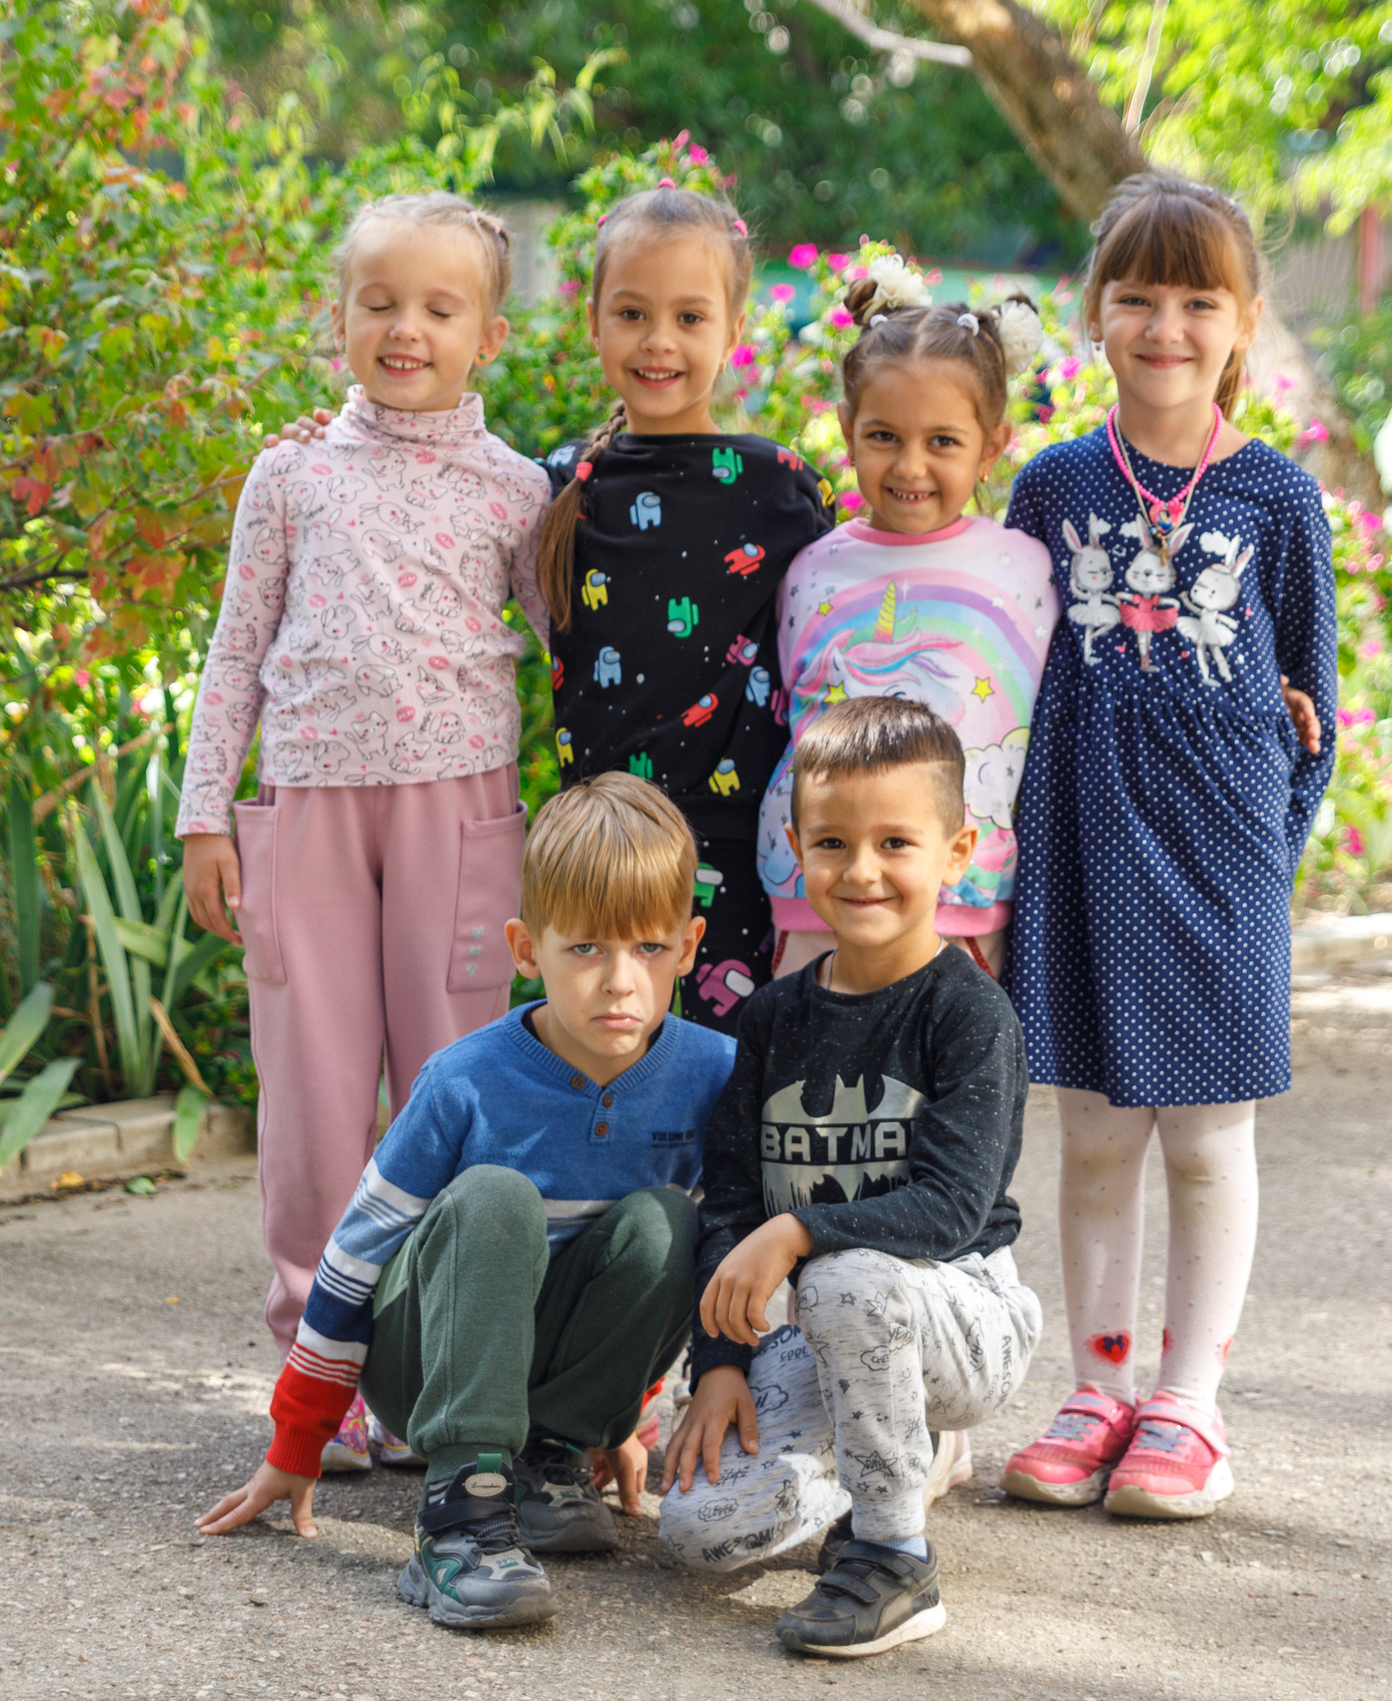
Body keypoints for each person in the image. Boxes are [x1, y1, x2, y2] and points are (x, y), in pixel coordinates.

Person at [174, 192, 551, 1474]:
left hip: (462, 817)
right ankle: (314, 1373)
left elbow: (572, 649)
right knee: (315, 1102)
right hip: (309, 818)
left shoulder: (522, 492)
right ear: (338, 319)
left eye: (438, 308)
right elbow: (235, 654)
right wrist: (203, 818)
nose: (405, 328)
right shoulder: (289, 476)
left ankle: (430, 1371)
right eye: (378, 302)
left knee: (452, 1094)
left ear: (487, 335)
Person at [195, 773, 735, 1632]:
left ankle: (550, 1456)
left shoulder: (712, 1074)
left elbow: (712, 1267)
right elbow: (352, 1257)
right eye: (586, 949)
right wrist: (297, 1443)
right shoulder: (465, 1080)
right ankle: (461, 1508)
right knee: (495, 1196)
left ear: (691, 943)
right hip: (430, 1361)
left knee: (673, 1223)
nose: (621, 982)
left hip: (555, 1367)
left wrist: (627, 1416)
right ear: (526, 947)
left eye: (650, 949)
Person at [996, 172, 1337, 1521]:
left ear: (1243, 320)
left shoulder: (1276, 495)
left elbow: (1312, 704)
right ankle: (1096, 1385)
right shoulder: (1054, 483)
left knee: (1206, 1134)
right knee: (1092, 1132)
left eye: (1199, 299)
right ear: (1096, 310)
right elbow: (1005, 662)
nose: (1166, 324)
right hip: (1077, 841)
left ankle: (1190, 1402)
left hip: (1220, 852)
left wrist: (1266, 860)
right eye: (1138, 294)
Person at [658, 696, 1042, 1660]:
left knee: (844, 1270)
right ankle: (890, 1469)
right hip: (834, 1335)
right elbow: (735, 1204)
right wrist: (721, 1369)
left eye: (897, 842)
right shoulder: (773, 1019)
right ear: (794, 847)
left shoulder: (969, 1014)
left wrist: (797, 1234)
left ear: (957, 851)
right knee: (699, 1528)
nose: (861, 870)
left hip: (963, 1316)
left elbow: (952, 1205)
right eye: (832, 841)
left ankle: (895, 1558)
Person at [528, 182, 832, 1035]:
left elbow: (838, 621)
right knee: (610, 1053)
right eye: (631, 313)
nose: (659, 342)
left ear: (734, 330)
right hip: (601, 844)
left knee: (731, 1072)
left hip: (736, 844)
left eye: (690, 318)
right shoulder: (554, 484)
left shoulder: (778, 485)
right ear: (592, 322)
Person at [756, 260, 1057, 986]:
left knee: (952, 1092)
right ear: (847, 430)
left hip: (960, 904)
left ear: (992, 444)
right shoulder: (812, 568)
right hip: (815, 898)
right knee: (810, 1092)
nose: (910, 465)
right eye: (885, 436)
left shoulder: (1026, 572)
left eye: (943, 442)